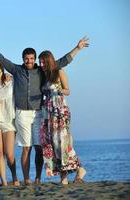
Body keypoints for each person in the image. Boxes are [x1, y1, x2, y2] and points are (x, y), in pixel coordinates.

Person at [0, 30, 87, 185]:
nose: (29, 61)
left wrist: (78, 48)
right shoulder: (16, 70)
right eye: (26, 58)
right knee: (26, 148)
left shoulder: (41, 71)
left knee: (40, 148)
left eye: (31, 59)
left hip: (39, 114)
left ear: (35, 59)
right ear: (23, 59)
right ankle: (27, 179)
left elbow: (61, 62)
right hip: (21, 114)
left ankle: (38, 178)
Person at [38, 48, 88, 185]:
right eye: (40, 62)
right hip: (47, 114)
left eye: (43, 62)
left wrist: (60, 90)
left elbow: (68, 90)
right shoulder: (44, 76)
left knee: (62, 143)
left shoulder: (59, 72)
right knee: (53, 145)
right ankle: (66, 177)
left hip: (60, 111)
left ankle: (77, 170)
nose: (41, 65)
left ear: (49, 61)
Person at [0, 61, 20, 186]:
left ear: (2, 69)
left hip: (9, 121)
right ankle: (4, 181)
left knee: (9, 153)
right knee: (0, 152)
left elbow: (20, 79)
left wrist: (10, 76)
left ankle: (14, 176)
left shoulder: (10, 82)